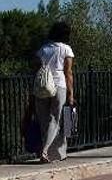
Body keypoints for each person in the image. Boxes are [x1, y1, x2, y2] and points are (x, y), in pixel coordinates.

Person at [21, 22, 75, 163]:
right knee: (55, 119)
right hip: (58, 85)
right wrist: (71, 93)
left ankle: (47, 152)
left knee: (44, 119)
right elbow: (68, 72)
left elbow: (35, 69)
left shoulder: (43, 49)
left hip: (42, 87)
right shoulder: (66, 49)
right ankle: (46, 151)